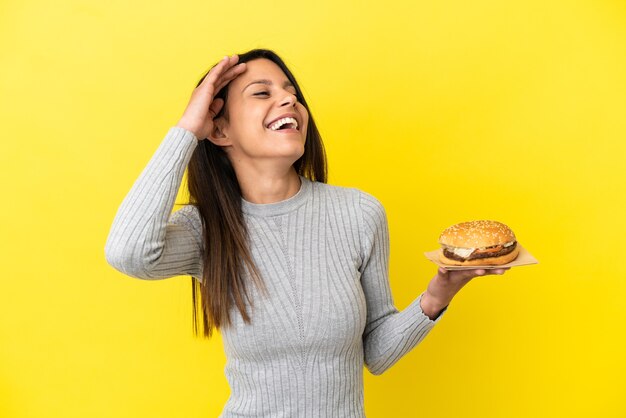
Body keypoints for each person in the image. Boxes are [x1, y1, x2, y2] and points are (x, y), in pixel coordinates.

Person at [104, 49, 509, 417]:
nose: (288, 100)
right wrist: (187, 131)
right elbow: (129, 253)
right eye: (261, 93)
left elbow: (376, 354)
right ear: (220, 130)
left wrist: (438, 295)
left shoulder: (358, 212)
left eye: (292, 93)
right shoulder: (207, 229)